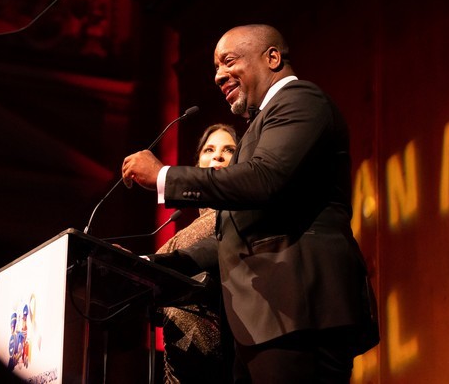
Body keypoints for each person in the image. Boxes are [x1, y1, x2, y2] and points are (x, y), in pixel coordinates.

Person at [122, 23, 379, 383]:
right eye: (215, 67)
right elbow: (230, 236)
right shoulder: (261, 126)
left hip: (300, 313)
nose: (218, 76)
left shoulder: (301, 100)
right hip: (264, 323)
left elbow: (263, 178)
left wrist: (165, 176)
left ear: (272, 58)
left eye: (228, 61)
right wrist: (147, 266)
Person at [156, 124, 237, 384]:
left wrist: (138, 264)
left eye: (229, 150)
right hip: (177, 366)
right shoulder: (186, 229)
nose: (218, 156)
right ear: (197, 164)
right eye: (209, 150)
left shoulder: (235, 218)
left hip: (220, 363)